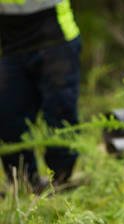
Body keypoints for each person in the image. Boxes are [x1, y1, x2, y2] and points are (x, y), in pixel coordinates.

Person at [0, 0, 81, 191]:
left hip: (55, 38)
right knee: (7, 116)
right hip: (9, 46)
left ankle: (60, 180)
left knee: (60, 111)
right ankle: (23, 183)